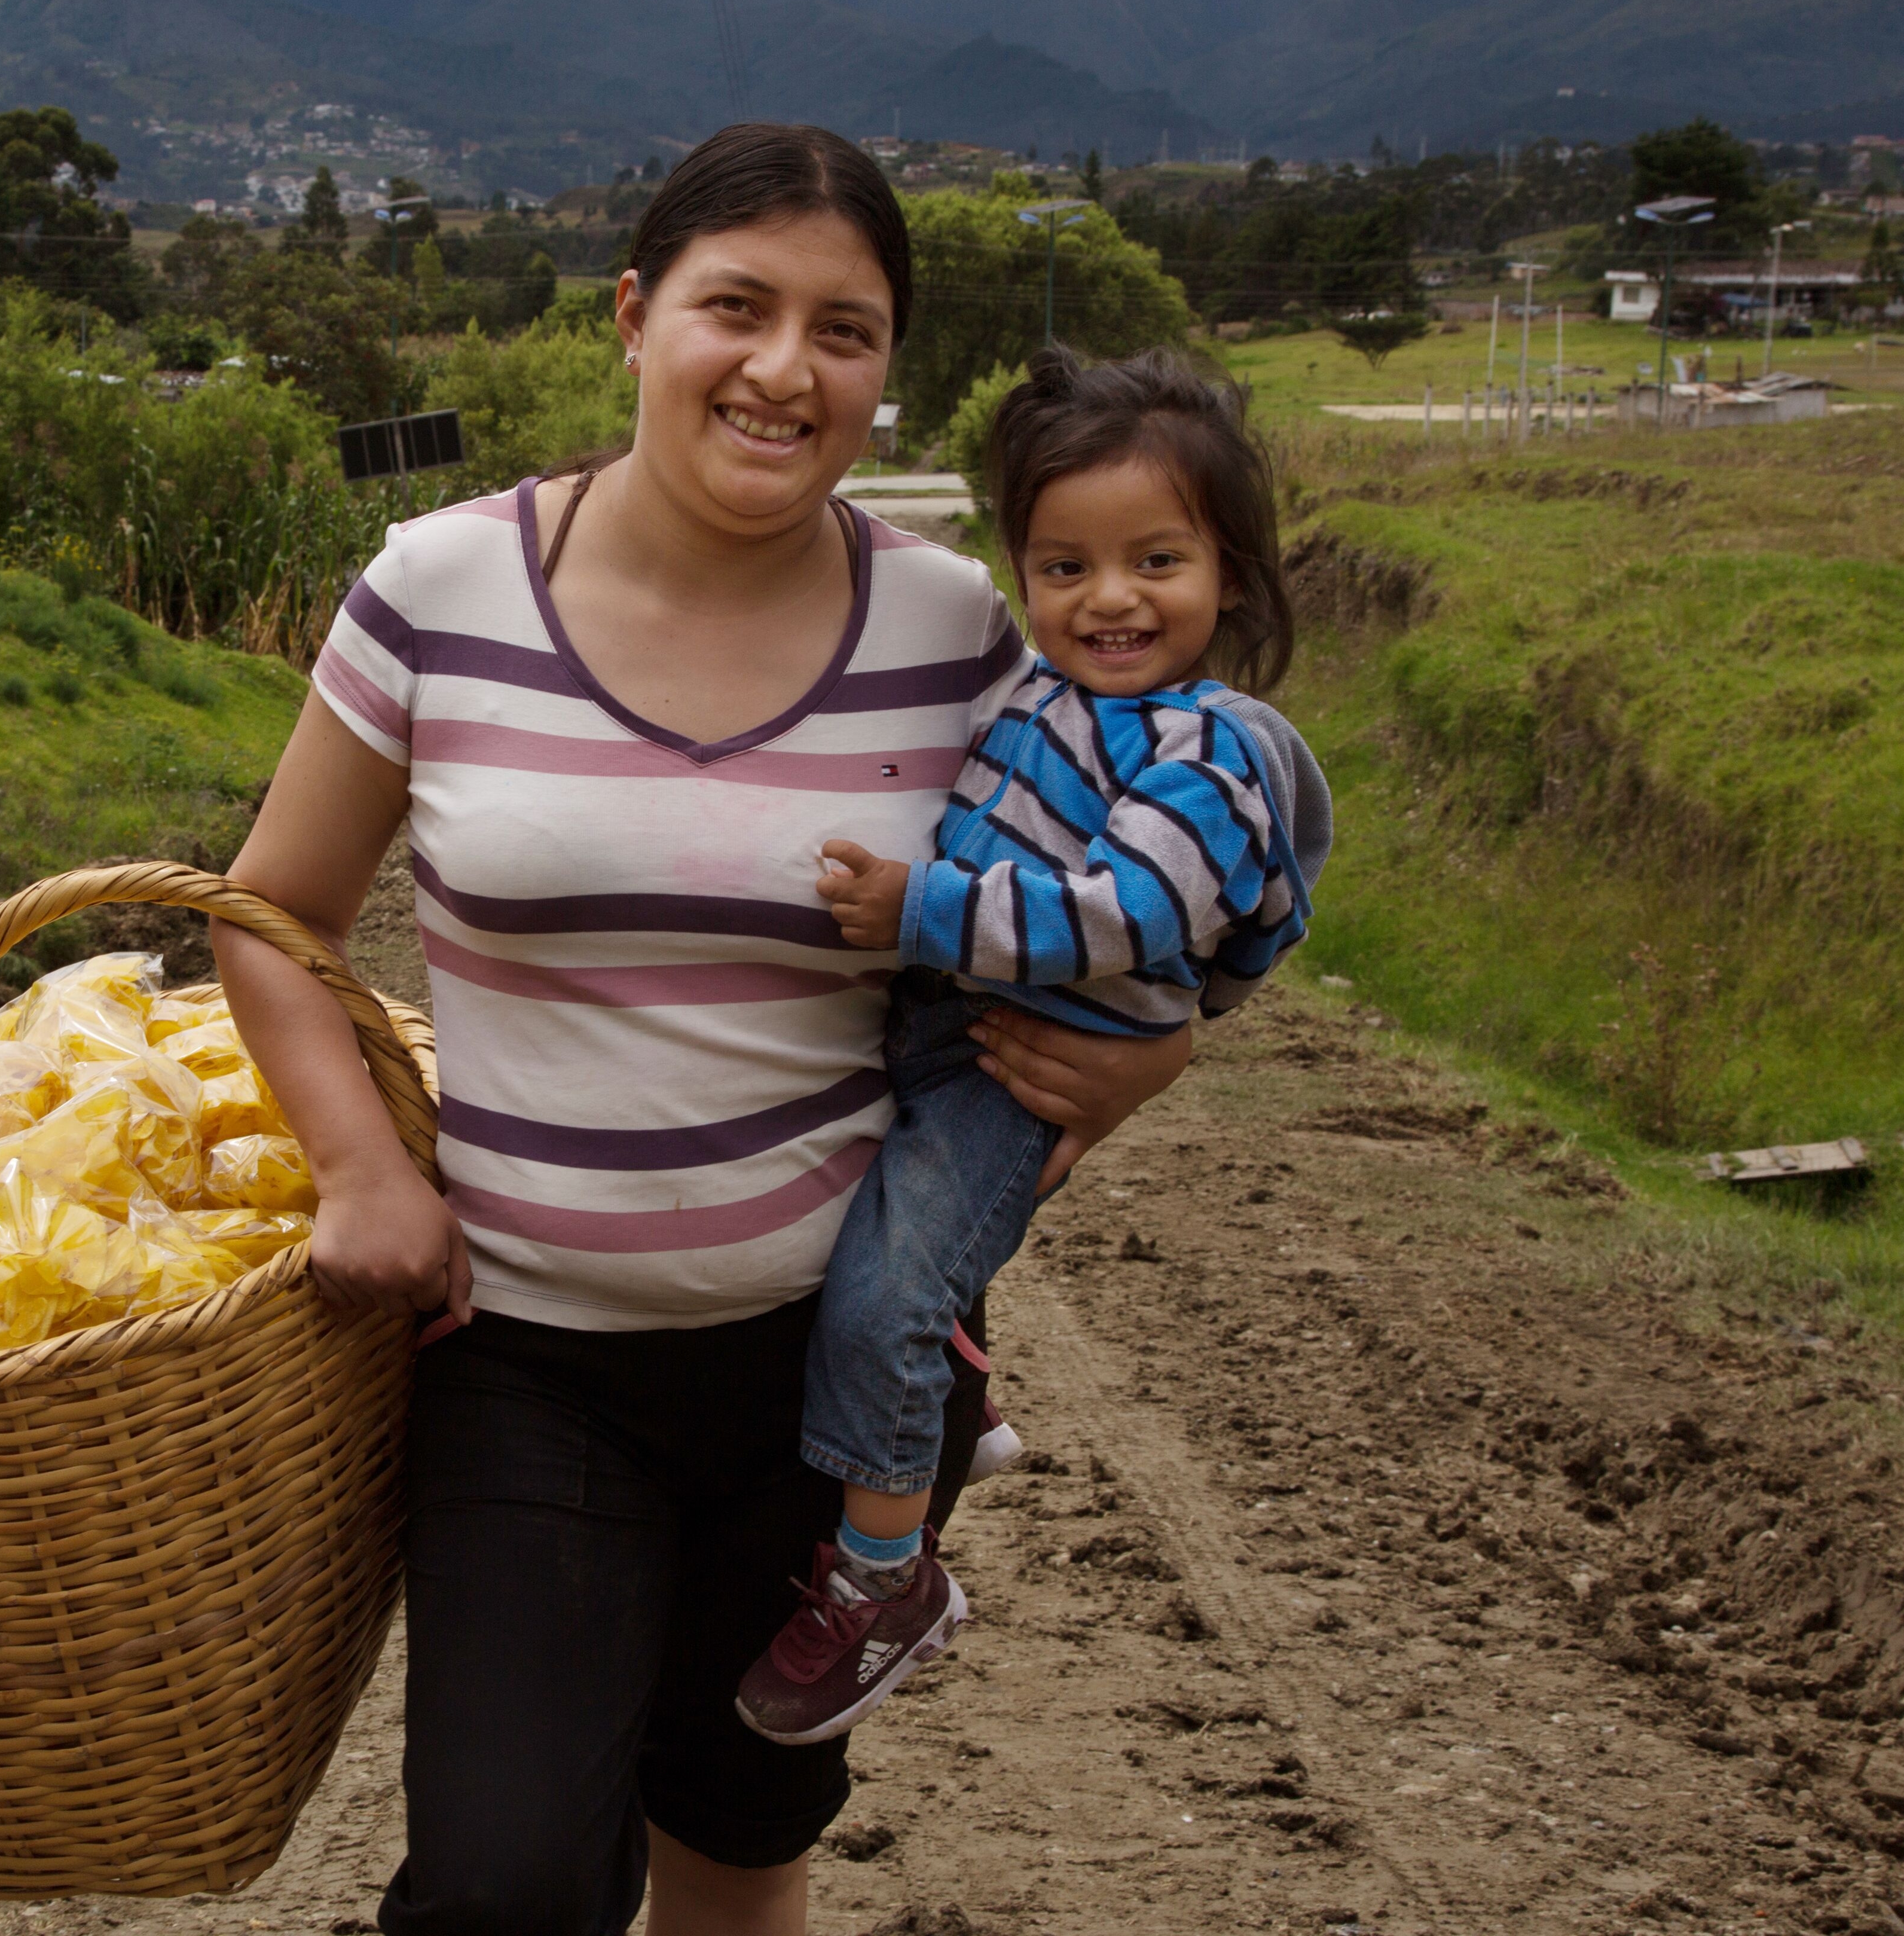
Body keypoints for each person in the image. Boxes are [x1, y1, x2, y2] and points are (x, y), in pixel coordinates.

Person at [213, 123, 1197, 1936]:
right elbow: (270, 918)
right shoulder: (439, 588)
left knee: (738, 1840)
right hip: (522, 1361)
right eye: (736, 307)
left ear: (886, 369)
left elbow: (1109, 902)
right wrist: (360, 1172)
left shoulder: (955, 630)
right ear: (633, 316)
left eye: (845, 329)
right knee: (505, 1888)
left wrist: (1144, 1058)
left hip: (838, 1377)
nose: (784, 369)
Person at [731, 345, 1335, 1747]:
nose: (1109, 598)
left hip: (1014, 1056)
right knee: (875, 1226)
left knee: (885, 1291)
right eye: (1066, 567)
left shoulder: (1206, 749)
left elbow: (1127, 914)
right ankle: (957, 1394)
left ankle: (885, 1580)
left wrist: (920, 908)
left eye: (1156, 562)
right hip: (957, 1027)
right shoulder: (1047, 697)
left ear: (1232, 574)